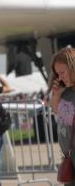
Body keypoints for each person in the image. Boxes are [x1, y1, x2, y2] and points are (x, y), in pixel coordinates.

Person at [50, 47, 75, 186]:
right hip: (69, 158)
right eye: (57, 73)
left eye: (62, 72)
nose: (60, 77)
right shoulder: (65, 91)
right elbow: (55, 110)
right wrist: (57, 94)